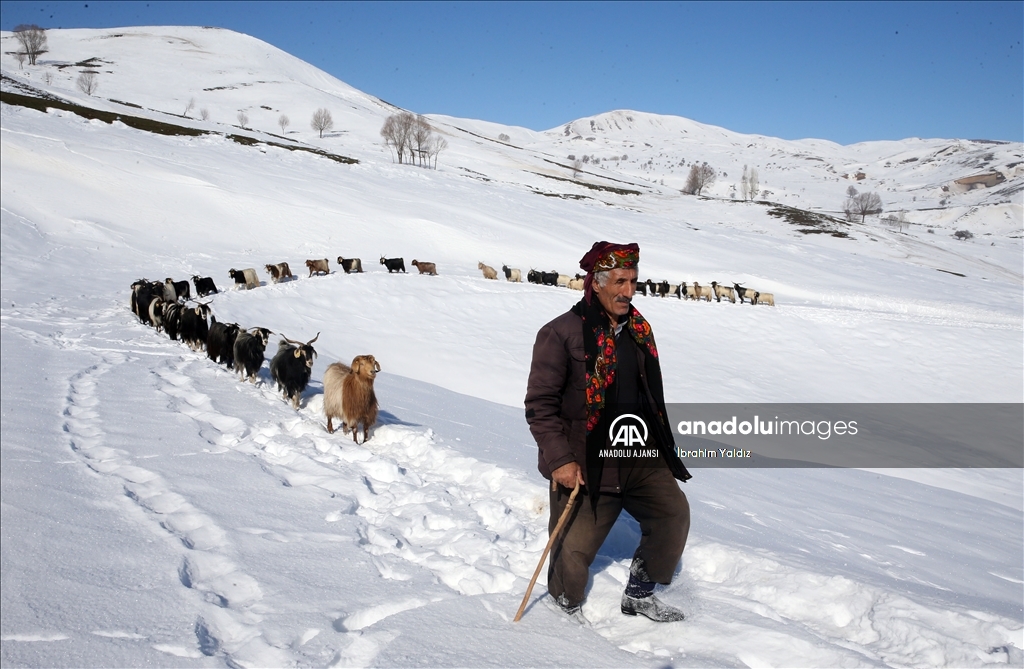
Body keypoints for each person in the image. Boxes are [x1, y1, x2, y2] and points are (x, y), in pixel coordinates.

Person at [524, 241, 691, 623]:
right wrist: (561, 461)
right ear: (596, 283)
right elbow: (540, 404)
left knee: (672, 515)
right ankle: (563, 607)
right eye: (620, 281)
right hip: (585, 460)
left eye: (633, 281)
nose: (628, 291)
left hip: (638, 452)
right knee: (574, 548)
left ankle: (640, 593)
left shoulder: (638, 330)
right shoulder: (561, 333)